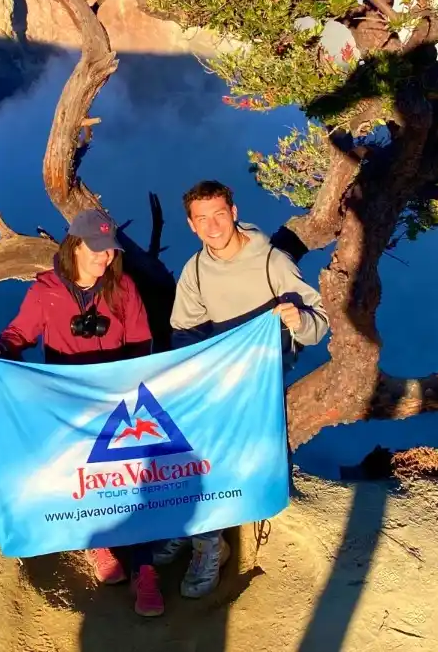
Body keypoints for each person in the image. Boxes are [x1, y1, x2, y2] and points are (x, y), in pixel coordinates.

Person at [0, 208, 167, 618]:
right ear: (75, 245)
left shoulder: (123, 287)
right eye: (97, 251)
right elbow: (19, 333)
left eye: (110, 251)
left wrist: (125, 387)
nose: (105, 259)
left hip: (119, 401)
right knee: (83, 475)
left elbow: (140, 342)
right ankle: (98, 545)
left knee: (135, 479)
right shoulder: (46, 290)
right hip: (69, 404)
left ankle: (144, 568)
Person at [158, 178, 330, 598]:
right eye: (203, 219)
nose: (213, 225)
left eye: (220, 214)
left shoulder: (272, 262)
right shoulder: (196, 269)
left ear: (234, 213)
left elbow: (319, 322)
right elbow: (183, 328)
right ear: (191, 225)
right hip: (220, 370)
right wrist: (199, 363)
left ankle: (208, 546)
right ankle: (192, 523)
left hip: (264, 368)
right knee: (173, 438)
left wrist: (298, 321)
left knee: (209, 445)